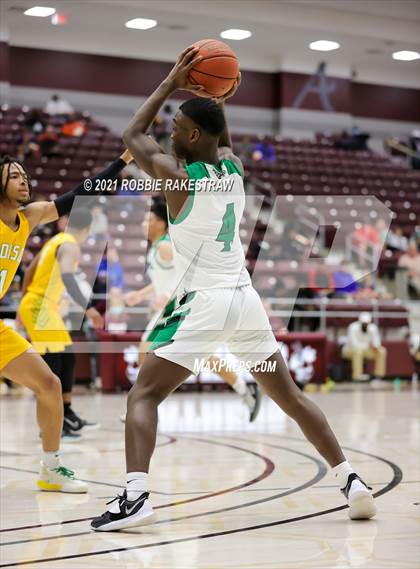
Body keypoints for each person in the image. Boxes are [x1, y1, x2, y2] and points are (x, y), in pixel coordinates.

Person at [91, 46, 376, 531]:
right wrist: (217, 94)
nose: (171, 134)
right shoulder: (234, 171)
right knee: (291, 397)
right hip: (245, 303)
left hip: (203, 303)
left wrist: (172, 81)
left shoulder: (177, 178)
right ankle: (351, 480)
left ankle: (136, 496)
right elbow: (218, 138)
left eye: (178, 128)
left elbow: (132, 134)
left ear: (193, 135)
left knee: (142, 396)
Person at [0, 148, 132, 492]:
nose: (24, 180)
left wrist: (123, 160)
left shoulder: (29, 218)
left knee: (50, 385)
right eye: (14, 176)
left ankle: (51, 469)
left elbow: (80, 194)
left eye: (25, 175)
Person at [124, 198, 261, 420]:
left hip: (178, 306)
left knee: (147, 351)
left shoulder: (166, 247)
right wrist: (141, 294)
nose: (143, 224)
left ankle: (142, 404)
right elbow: (163, 278)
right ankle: (245, 390)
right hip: (173, 306)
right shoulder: (159, 246)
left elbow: (189, 271)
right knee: (201, 355)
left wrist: (170, 295)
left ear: (160, 223)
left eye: (148, 219)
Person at [18, 209, 103, 440]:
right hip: (39, 307)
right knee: (52, 364)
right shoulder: (71, 245)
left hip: (42, 306)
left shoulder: (54, 241)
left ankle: (66, 412)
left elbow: (29, 271)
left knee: (67, 356)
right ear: (85, 230)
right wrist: (90, 307)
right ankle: (51, 422)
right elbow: (67, 277)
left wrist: (22, 302)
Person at [342, 313, 387, 381]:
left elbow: (376, 341)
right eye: (364, 324)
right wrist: (368, 346)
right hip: (349, 350)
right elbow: (354, 344)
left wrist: (375, 346)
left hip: (365, 350)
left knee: (381, 351)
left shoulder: (373, 328)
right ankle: (357, 376)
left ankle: (379, 375)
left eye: (367, 324)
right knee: (358, 351)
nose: (365, 325)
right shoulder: (353, 327)